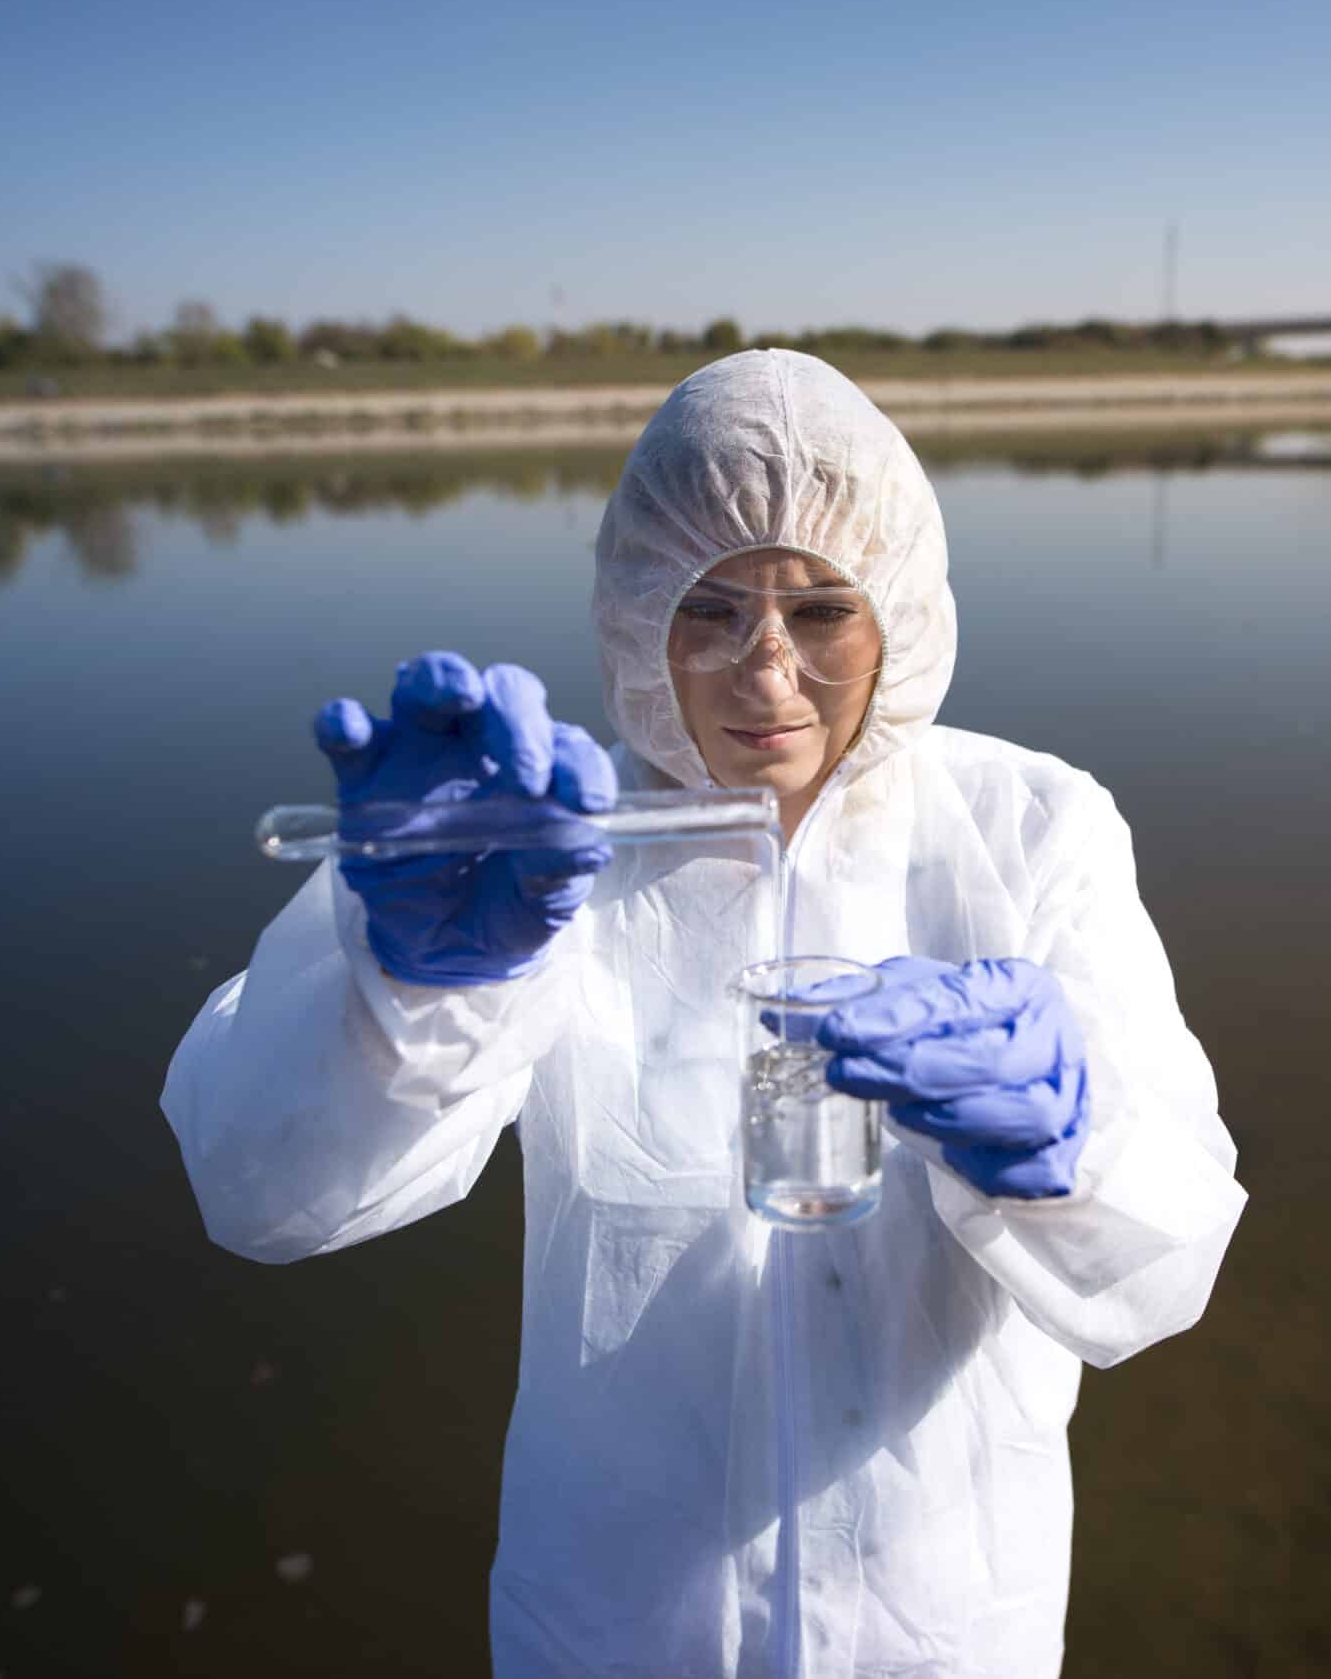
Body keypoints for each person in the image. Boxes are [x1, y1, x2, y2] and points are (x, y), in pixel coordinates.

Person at [162, 349, 1245, 1677]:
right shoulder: (550, 852)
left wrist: (1065, 1155)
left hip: (946, 1633)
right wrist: (409, 986)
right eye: (713, 609)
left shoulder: (1027, 836)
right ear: (636, 614)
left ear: (897, 605)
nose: (767, 675)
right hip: (614, 1636)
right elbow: (257, 1186)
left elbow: (1165, 1270)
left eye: (821, 608)